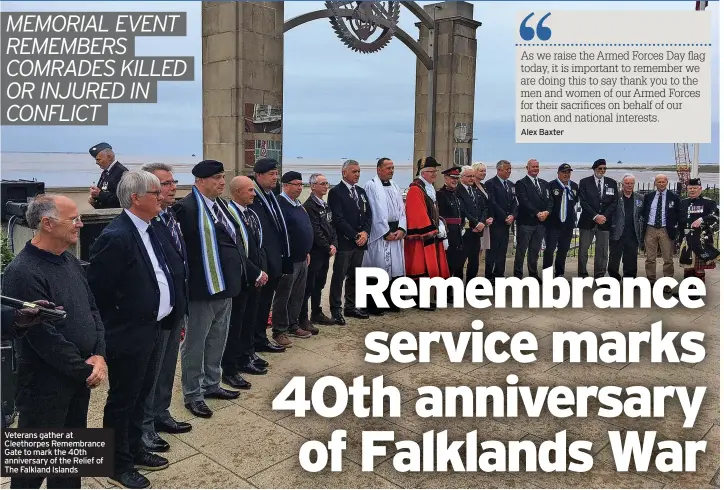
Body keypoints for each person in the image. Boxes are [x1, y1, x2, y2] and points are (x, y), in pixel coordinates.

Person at [88, 171, 189, 488]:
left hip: (157, 327)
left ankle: (135, 448)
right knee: (123, 400)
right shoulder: (116, 237)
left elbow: (169, 270)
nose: (163, 197)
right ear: (136, 198)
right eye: (156, 192)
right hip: (129, 335)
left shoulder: (152, 227)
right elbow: (99, 294)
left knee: (143, 395)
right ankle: (117, 464)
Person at [3, 194, 107, 490]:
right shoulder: (21, 272)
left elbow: (92, 309)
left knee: (69, 464)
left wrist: (99, 355)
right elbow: (41, 337)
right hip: (43, 387)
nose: (80, 223)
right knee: (31, 471)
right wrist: (85, 369)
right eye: (73, 219)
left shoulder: (68, 260)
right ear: (47, 224)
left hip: (78, 379)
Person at [172, 161, 247, 419]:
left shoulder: (222, 206)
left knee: (217, 338)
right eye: (216, 178)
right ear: (200, 180)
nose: (222, 182)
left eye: (223, 177)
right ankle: (193, 393)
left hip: (224, 286)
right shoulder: (186, 208)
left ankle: (212, 383)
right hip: (201, 288)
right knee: (195, 343)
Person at [138, 163, 192, 453]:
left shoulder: (170, 214)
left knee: (168, 365)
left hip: (175, 305)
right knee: (152, 371)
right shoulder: (147, 222)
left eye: (172, 183)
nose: (171, 188)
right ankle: (145, 426)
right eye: (164, 184)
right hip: (154, 313)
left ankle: (161, 413)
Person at [223, 176, 269, 385]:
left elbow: (258, 245)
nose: (253, 194)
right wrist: (254, 272)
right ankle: (232, 366)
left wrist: (261, 271)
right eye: (250, 190)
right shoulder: (230, 215)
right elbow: (238, 251)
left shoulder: (251, 213)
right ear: (238, 192)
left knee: (250, 319)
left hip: (255, 277)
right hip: (240, 278)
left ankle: (247, 354)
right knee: (236, 325)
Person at [269, 172, 315, 347]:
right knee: (283, 295)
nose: (299, 187)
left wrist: (306, 250)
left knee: (297, 295)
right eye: (296, 184)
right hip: (288, 259)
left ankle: (293, 325)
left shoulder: (297, 204)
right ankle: (279, 330)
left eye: (301, 184)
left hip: (302, 258)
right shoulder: (280, 204)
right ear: (285, 185)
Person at [248, 158, 289, 354]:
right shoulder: (254, 198)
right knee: (257, 305)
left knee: (265, 305)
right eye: (271, 174)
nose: (275, 177)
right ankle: (255, 339)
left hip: (275, 260)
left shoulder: (271, 195)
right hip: (263, 262)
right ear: (259, 175)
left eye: (276, 174)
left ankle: (260, 337)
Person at [328, 159, 373, 324]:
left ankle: (351, 306)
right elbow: (338, 219)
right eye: (354, 171)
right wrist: (355, 235)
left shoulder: (361, 191)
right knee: (339, 276)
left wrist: (366, 233)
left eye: (359, 171)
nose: (357, 174)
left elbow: (369, 214)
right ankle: (336, 310)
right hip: (345, 242)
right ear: (344, 172)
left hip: (360, 242)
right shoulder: (336, 192)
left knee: (355, 276)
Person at [362, 158, 406, 313]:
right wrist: (385, 232)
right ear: (378, 169)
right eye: (388, 168)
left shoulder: (395, 186)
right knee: (377, 267)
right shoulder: (371, 186)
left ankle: (391, 301)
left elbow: (402, 209)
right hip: (380, 234)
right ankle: (373, 304)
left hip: (395, 232)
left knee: (395, 267)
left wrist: (402, 228)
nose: (391, 170)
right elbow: (373, 211)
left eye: (393, 168)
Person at [404, 156, 450, 308]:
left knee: (427, 268)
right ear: (422, 173)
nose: (434, 174)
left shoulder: (428, 188)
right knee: (419, 269)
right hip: (420, 237)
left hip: (431, 234)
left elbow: (433, 212)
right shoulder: (415, 190)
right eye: (431, 171)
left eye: (435, 171)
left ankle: (423, 299)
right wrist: (432, 230)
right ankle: (418, 300)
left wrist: (440, 223)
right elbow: (418, 214)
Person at [301, 173, 338, 327]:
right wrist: (326, 246)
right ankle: (303, 318)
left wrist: (334, 243)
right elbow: (315, 231)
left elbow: (332, 226)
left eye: (326, 183)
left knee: (320, 284)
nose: (325, 186)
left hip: (326, 252)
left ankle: (317, 312)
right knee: (309, 285)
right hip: (316, 253)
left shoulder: (325, 205)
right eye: (322, 183)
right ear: (313, 186)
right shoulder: (309, 206)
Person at [577, 159, 618, 279]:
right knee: (583, 250)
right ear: (594, 169)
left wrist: (604, 216)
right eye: (600, 168)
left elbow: (614, 202)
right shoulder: (584, 182)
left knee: (602, 251)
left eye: (604, 168)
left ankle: (599, 274)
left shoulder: (612, 183)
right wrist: (595, 216)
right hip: (587, 221)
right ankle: (582, 274)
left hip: (604, 222)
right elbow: (583, 201)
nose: (602, 171)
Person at [513, 159, 552, 281]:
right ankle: (518, 276)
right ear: (527, 168)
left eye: (537, 166)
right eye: (533, 166)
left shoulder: (544, 183)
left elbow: (551, 200)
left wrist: (547, 212)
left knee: (534, 250)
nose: (535, 169)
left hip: (540, 223)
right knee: (521, 250)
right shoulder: (521, 183)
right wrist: (537, 213)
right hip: (526, 223)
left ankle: (533, 274)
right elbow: (524, 202)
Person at [678, 178, 719, 287]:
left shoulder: (709, 203)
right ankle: (688, 291)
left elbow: (716, 216)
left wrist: (702, 220)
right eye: (690, 188)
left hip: (701, 240)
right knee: (687, 267)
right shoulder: (683, 203)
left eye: (695, 188)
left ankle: (697, 292)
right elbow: (679, 221)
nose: (692, 190)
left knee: (699, 269)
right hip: (686, 240)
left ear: (700, 189)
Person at [641, 174, 680, 284]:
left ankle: (667, 283)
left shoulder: (674, 197)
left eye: (663, 181)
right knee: (650, 258)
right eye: (659, 182)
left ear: (667, 182)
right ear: (655, 183)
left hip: (665, 230)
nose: (661, 184)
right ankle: (651, 280)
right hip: (650, 229)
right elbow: (644, 212)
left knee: (668, 259)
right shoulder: (649, 196)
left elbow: (677, 214)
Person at [543, 164, 579, 277]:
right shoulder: (550, 185)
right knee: (549, 250)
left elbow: (576, 200)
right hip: (553, 224)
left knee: (563, 250)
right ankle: (547, 274)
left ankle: (559, 273)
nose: (566, 174)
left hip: (568, 224)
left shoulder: (574, 186)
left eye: (568, 172)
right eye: (564, 172)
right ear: (558, 173)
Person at [484, 160, 518, 281]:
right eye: (506, 169)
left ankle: (499, 274)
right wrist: (505, 216)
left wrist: (513, 215)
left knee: (502, 251)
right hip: (496, 222)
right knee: (492, 250)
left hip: (507, 223)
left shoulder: (511, 184)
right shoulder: (490, 184)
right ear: (499, 170)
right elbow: (493, 203)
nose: (509, 171)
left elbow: (515, 202)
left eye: (510, 169)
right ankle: (489, 275)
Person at [456, 166, 490, 284]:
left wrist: (482, 222)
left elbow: (484, 208)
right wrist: (475, 223)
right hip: (466, 231)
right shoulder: (457, 191)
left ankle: (471, 284)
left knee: (474, 261)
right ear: (461, 177)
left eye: (472, 176)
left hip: (477, 231)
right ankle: (458, 287)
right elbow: (463, 210)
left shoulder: (475, 190)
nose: (471, 178)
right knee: (460, 261)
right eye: (469, 176)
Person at [608, 174, 644, 280]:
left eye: (631, 183)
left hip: (632, 233)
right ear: (622, 184)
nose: (629, 185)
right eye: (627, 183)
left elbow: (643, 215)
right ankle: (613, 277)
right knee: (614, 257)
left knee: (631, 258)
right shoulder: (616, 196)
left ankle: (629, 278)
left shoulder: (640, 198)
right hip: (617, 232)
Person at [436, 166, 465, 282]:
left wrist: (462, 225)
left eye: (457, 178)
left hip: (458, 234)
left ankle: (455, 290)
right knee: (448, 265)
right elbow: (439, 216)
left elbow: (461, 213)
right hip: (448, 234)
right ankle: (446, 293)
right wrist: (443, 235)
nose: (455, 181)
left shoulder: (457, 194)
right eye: (452, 178)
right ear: (446, 178)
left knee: (458, 265)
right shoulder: (440, 194)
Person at [87, 142, 128, 209]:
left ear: (109, 157)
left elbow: (122, 200)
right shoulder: (106, 172)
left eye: (98, 159)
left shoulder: (121, 172)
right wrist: (94, 199)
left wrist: (99, 194)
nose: (96, 162)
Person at [470, 162, 492, 257]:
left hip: (485, 223)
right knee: (474, 251)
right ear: (474, 171)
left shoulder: (483, 186)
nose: (484, 173)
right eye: (481, 170)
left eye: (485, 171)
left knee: (481, 249)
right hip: (476, 223)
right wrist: (482, 221)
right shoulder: (471, 186)